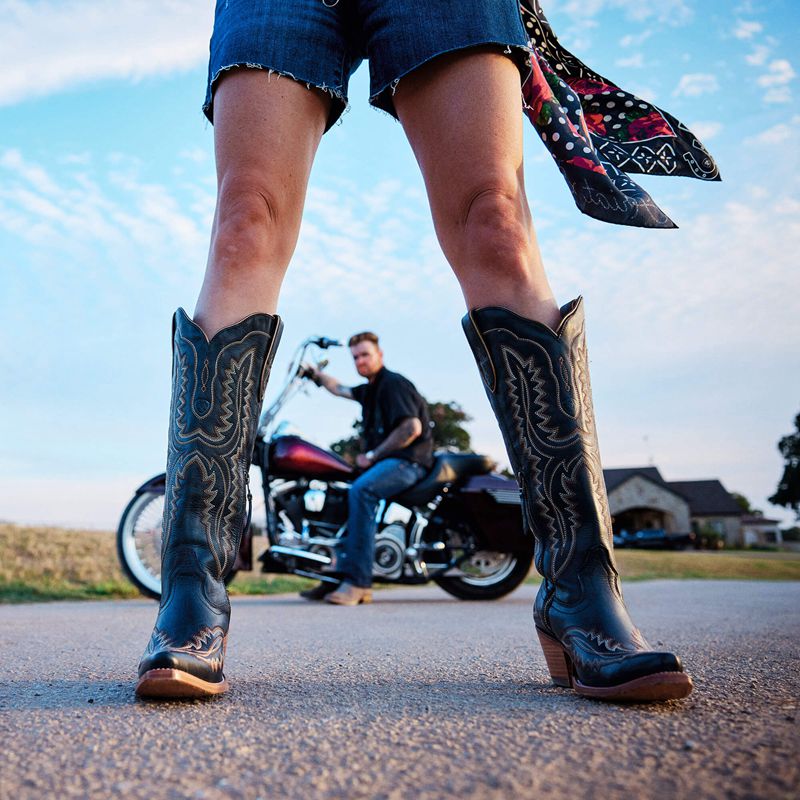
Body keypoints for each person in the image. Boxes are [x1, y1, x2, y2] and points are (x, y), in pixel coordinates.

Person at [135, 0, 718, 701]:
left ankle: (582, 590)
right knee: (244, 223)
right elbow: (354, 397)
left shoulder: (397, 388)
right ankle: (191, 596)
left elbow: (405, 425)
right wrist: (324, 383)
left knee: (495, 218)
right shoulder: (366, 384)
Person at [300, 331, 433, 605]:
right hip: (389, 463)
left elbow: (411, 428)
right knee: (342, 491)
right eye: (356, 357)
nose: (360, 361)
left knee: (362, 491)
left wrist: (372, 455)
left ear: (379, 355)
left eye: (365, 354)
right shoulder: (370, 389)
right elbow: (339, 389)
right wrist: (315, 375)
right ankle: (334, 577)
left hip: (409, 462)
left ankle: (359, 583)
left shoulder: (393, 384)